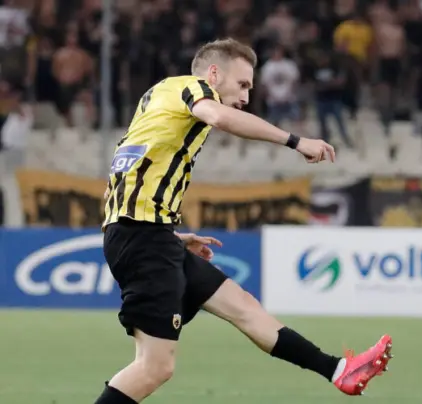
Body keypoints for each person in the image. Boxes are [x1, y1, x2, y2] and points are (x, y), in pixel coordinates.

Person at [95, 38, 392, 404]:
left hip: (147, 234)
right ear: (213, 74)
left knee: (243, 307)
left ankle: (339, 371)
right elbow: (220, 117)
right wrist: (296, 141)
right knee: (154, 367)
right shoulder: (193, 88)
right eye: (243, 84)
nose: (246, 96)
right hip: (142, 240)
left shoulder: (159, 98)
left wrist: (169, 235)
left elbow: (128, 175)